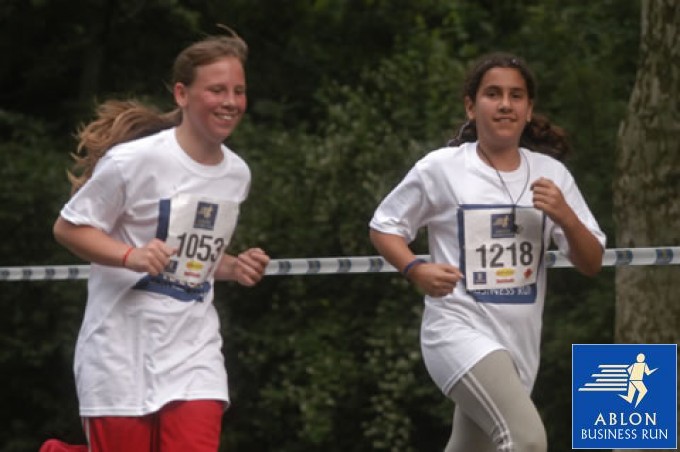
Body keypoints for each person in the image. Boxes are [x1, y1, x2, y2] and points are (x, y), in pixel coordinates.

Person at [41, 29, 270, 452]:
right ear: (182, 94)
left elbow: (194, 258)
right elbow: (69, 228)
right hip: (119, 352)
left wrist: (234, 266)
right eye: (217, 90)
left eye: (238, 91)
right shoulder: (133, 161)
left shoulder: (237, 174)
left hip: (193, 353)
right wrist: (130, 255)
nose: (230, 101)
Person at [368, 52, 605, 451]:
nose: (505, 104)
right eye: (493, 94)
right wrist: (415, 269)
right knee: (526, 441)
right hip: (456, 331)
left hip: (519, 344)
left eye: (516, 96)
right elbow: (384, 226)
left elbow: (592, 262)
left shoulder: (552, 175)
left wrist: (566, 216)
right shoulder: (441, 168)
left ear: (528, 110)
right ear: (471, 106)